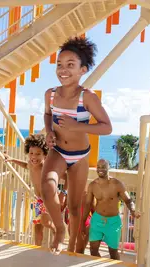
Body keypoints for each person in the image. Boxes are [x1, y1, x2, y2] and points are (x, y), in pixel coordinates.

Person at [41, 36, 112, 255]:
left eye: (70, 65)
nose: (63, 70)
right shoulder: (50, 95)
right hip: (58, 151)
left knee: (74, 207)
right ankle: (60, 230)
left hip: (80, 156)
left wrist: (76, 126)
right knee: (47, 186)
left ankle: (71, 245)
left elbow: (106, 127)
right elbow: (47, 114)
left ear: (83, 70)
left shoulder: (87, 97)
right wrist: (50, 131)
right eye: (60, 65)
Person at [4, 134, 61, 246]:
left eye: (38, 154)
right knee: (37, 227)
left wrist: (63, 192)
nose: (34, 157)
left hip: (48, 199)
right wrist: (12, 159)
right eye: (31, 153)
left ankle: (57, 231)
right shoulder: (30, 164)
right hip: (38, 200)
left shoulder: (46, 167)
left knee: (46, 222)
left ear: (45, 154)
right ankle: (37, 247)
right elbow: (26, 165)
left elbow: (61, 176)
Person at [81, 159, 140, 260]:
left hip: (113, 222)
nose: (100, 169)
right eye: (98, 167)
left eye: (103, 167)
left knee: (113, 252)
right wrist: (82, 223)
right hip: (97, 220)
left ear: (109, 168)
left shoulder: (117, 184)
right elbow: (87, 204)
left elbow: (128, 200)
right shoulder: (92, 186)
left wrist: (133, 210)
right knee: (93, 250)